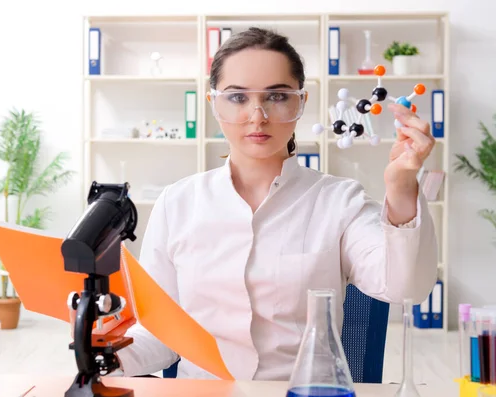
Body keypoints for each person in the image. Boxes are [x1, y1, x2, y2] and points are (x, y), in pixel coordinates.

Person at [114, 27, 439, 381]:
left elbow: (407, 286)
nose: (257, 116)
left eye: (277, 96)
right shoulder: (177, 203)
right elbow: (160, 332)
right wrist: (105, 356)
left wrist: (402, 184)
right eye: (237, 97)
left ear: (301, 102)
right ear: (213, 103)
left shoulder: (340, 201)